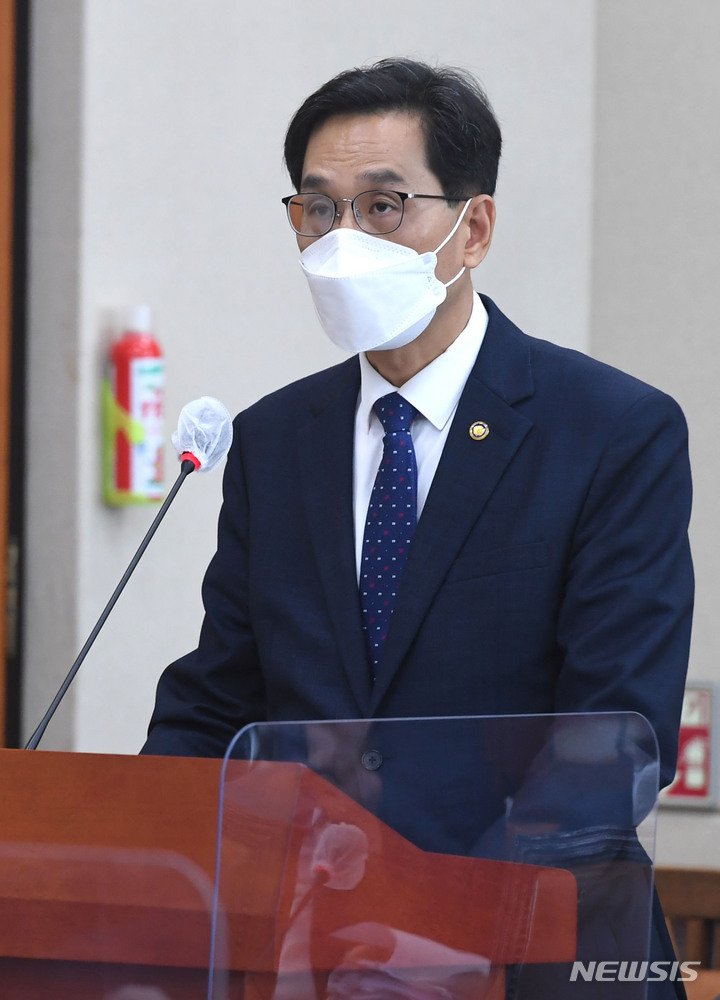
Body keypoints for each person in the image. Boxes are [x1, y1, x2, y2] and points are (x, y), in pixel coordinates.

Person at [142, 59, 693, 996]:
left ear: (472, 228)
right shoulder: (276, 441)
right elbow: (219, 701)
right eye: (318, 210)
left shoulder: (610, 430)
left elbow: (613, 731)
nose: (342, 238)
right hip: (317, 956)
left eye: (384, 206)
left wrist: (438, 915)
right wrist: (137, 845)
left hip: (539, 954)